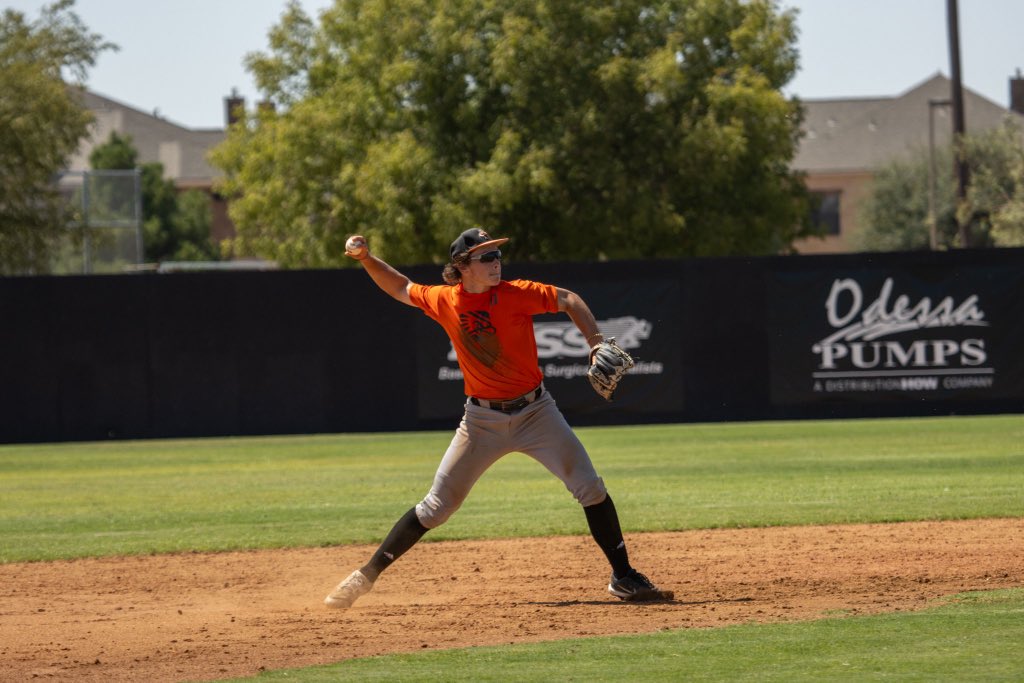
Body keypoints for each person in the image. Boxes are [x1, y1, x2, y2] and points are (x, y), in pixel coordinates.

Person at [324, 228, 670, 608]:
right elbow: (401, 288)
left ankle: (623, 576)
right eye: (486, 257)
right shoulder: (444, 300)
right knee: (435, 508)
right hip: (480, 422)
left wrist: (595, 342)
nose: (496, 262)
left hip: (537, 413)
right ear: (462, 266)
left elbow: (569, 299)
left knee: (591, 488)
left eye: (497, 255)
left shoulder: (515, 293)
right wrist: (366, 259)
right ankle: (364, 577)